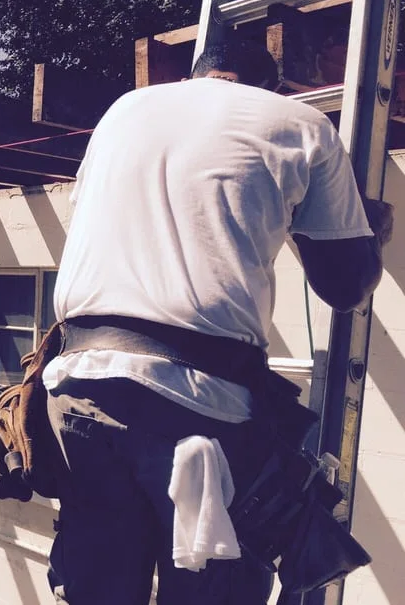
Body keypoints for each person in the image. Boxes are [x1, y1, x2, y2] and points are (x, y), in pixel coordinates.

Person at [44, 40, 393, 605]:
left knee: (97, 591)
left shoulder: (125, 111)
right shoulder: (301, 122)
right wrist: (365, 228)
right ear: (272, 88)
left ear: (196, 78)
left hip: (76, 391)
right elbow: (344, 287)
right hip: (198, 408)